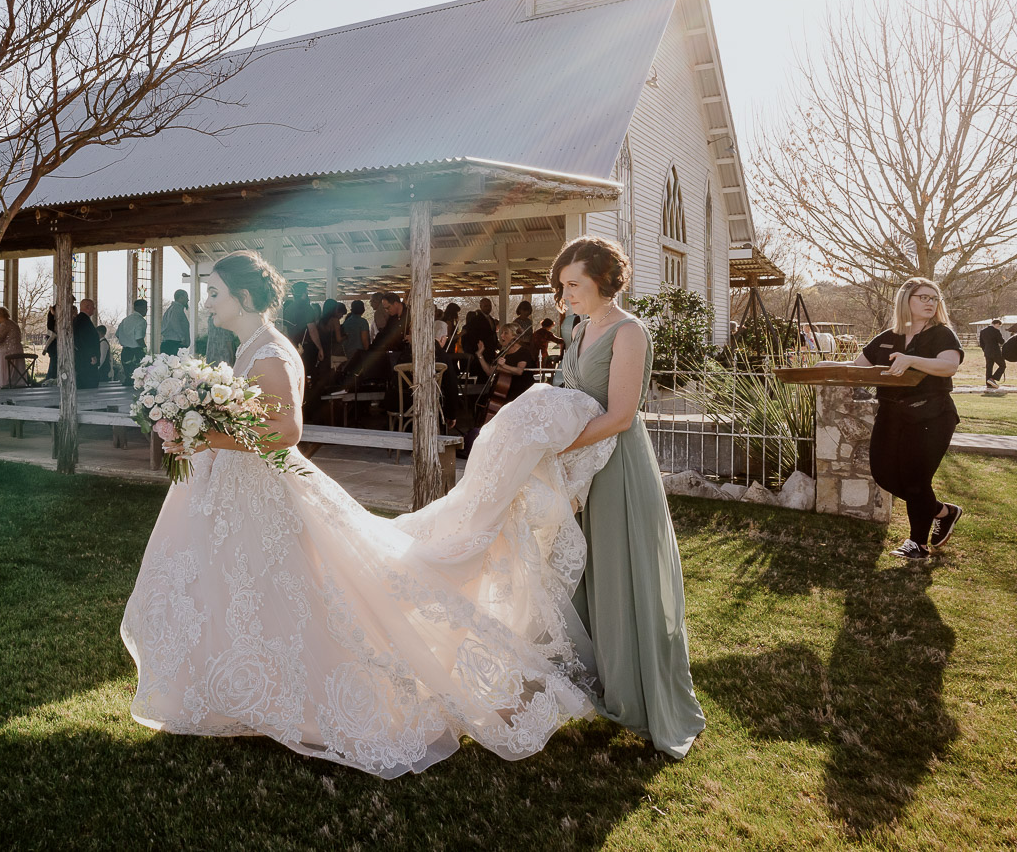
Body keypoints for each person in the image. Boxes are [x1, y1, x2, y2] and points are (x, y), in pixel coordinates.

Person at [120, 250, 623, 777]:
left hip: (264, 490)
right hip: (234, 490)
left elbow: (287, 435)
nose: (207, 303)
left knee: (291, 593)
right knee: (239, 589)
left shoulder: (270, 352)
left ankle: (305, 699)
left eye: (214, 293)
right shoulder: (251, 346)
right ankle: (237, 691)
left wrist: (203, 435)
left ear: (243, 297)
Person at [554, 235, 705, 758]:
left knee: (620, 570)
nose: (566, 292)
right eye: (562, 285)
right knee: (583, 570)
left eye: (575, 283)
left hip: (617, 464)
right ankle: (595, 676)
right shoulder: (577, 329)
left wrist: (551, 444)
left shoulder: (629, 331)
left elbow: (619, 415)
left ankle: (636, 691)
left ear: (602, 280)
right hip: (581, 466)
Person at [822, 278, 965, 560]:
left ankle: (918, 545)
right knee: (884, 474)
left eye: (934, 299)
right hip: (890, 413)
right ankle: (944, 511)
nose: (930, 303)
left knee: (916, 479)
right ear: (906, 300)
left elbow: (949, 366)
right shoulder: (887, 337)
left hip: (932, 415)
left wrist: (912, 360)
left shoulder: (942, 334)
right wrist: (825, 366)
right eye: (923, 297)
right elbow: (856, 369)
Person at [117, 299, 149, 380]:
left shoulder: (125, 320)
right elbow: (139, 338)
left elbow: (117, 334)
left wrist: (127, 340)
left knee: (128, 377)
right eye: (145, 308)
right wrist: (145, 349)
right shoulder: (141, 321)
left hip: (125, 352)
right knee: (137, 378)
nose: (147, 310)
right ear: (140, 308)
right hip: (136, 353)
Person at [74, 298, 102, 390]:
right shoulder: (83, 321)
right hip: (86, 360)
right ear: (87, 307)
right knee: (89, 384)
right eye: (93, 307)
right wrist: (92, 355)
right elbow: (85, 340)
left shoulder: (80, 319)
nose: (94, 309)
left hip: (83, 358)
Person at [280, 281, 319, 345]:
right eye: (307, 292)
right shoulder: (307, 309)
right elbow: (312, 331)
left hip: (293, 345)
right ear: (304, 293)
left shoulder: (288, 309)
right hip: (306, 345)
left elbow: (285, 330)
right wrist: (320, 348)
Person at [160, 290, 190, 355]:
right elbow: (175, 323)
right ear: (181, 297)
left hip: (170, 343)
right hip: (174, 344)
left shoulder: (171, 308)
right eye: (186, 297)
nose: (188, 300)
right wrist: (183, 338)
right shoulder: (176, 309)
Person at [980, 318, 1006, 389]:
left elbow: (981, 343)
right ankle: (993, 379)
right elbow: (1001, 341)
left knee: (989, 368)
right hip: (996, 352)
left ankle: (988, 384)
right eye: (998, 326)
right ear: (996, 324)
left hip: (987, 352)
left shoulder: (983, 331)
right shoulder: (996, 331)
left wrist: (985, 350)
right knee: (1002, 365)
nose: (998, 327)